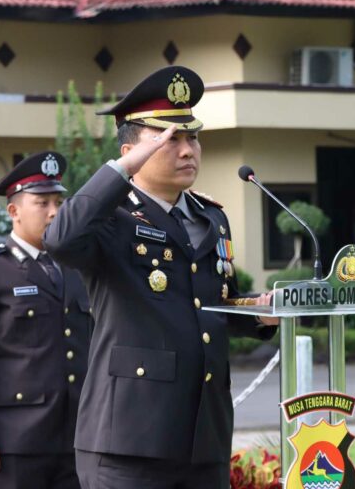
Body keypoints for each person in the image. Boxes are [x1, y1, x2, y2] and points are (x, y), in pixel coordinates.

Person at [43, 66, 278, 488]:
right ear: (133, 149)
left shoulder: (211, 218)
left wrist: (261, 313)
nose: (188, 150)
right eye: (171, 140)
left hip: (203, 436)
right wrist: (122, 169)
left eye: (193, 137)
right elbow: (60, 239)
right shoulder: (109, 218)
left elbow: (211, 306)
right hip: (129, 441)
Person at [0, 151, 92, 489]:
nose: (55, 211)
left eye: (58, 201)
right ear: (14, 211)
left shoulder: (75, 267)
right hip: (15, 442)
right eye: (42, 203)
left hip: (77, 437)